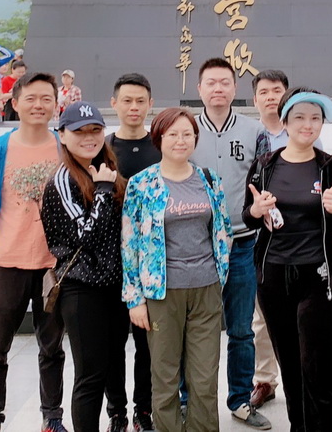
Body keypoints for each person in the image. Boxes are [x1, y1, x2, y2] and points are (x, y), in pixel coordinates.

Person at [243, 88, 332, 432]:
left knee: (320, 368)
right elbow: (248, 217)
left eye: (315, 118)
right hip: (274, 278)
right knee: (290, 366)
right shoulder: (264, 166)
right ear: (285, 121)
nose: (308, 125)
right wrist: (255, 211)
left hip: (319, 278)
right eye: (300, 117)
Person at [122, 107, 232, 432]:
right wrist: (135, 299)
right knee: (165, 377)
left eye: (187, 134)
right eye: (173, 134)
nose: (180, 140)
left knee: (204, 378)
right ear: (159, 139)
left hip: (205, 289)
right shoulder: (142, 184)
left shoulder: (209, 180)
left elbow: (223, 231)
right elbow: (130, 243)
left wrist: (220, 276)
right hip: (161, 293)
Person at [0, 72, 67, 432]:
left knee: (52, 347)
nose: (39, 105)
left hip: (52, 265)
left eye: (46, 98)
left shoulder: (64, 148)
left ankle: (52, 416)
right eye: (31, 98)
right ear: (15, 103)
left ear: (56, 104)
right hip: (7, 261)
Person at [190, 57, 271, 429]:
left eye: (225, 82)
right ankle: (189, 400)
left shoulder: (255, 131)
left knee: (241, 329)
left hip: (242, 243)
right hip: (197, 246)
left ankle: (240, 399)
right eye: (211, 82)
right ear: (199, 88)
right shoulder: (186, 129)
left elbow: (264, 181)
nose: (218, 88)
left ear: (235, 88)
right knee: (196, 329)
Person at [40, 101, 129, 432]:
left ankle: (119, 417)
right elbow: (86, 235)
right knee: (90, 374)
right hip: (82, 289)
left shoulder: (107, 170)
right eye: (79, 132)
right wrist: (103, 190)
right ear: (62, 135)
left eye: (95, 130)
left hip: (115, 286)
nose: (89, 138)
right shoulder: (63, 180)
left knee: (115, 360)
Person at [105, 73, 161, 431]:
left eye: (140, 101)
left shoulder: (161, 147)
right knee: (112, 343)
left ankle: (144, 410)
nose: (134, 107)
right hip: (110, 261)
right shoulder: (103, 149)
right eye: (127, 100)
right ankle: (117, 412)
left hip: (150, 263)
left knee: (148, 343)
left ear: (150, 104)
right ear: (114, 104)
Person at [248, 69, 289, 409]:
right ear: (254, 99)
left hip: (300, 235)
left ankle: (301, 376)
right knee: (261, 315)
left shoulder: (303, 130)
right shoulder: (250, 136)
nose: (271, 97)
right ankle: (265, 379)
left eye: (277, 90)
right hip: (260, 237)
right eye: (264, 91)